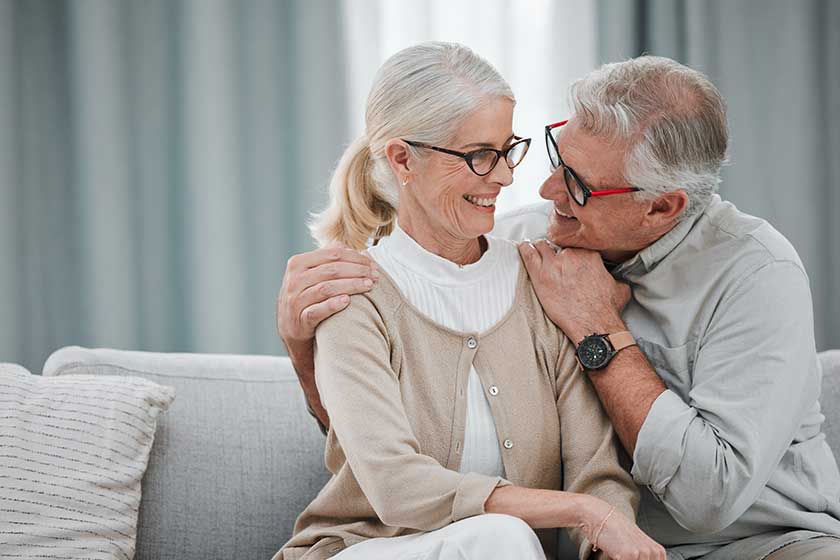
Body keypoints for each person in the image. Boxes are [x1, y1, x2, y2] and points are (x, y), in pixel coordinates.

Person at [277, 55, 840, 559]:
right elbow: (381, 458)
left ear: (661, 207)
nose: (542, 190)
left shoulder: (757, 274)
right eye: (553, 156)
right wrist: (305, 353)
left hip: (755, 542)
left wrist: (598, 327)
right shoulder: (529, 251)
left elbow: (692, 494)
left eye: (576, 183)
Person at [275, 42, 664, 560]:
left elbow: (596, 472)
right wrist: (582, 513)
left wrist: (607, 537)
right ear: (402, 159)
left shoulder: (540, 280)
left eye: (508, 150)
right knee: (499, 536)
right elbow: (396, 486)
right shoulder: (353, 294)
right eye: (480, 155)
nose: (504, 176)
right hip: (367, 550)